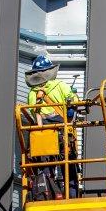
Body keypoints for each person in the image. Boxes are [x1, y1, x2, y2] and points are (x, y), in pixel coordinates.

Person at [23, 56, 78, 200]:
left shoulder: (32, 93)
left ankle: (49, 194)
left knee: (46, 164)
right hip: (62, 129)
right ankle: (72, 195)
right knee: (68, 163)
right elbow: (74, 101)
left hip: (43, 131)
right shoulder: (60, 85)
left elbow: (33, 112)